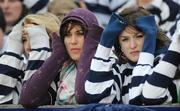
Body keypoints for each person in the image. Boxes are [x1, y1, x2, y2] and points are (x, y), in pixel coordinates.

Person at [83, 7, 180, 105]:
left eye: (139, 36)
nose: (133, 45)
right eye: (125, 39)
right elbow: (98, 99)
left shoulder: (164, 64)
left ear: (152, 37)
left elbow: (139, 101)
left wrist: (147, 51)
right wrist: (104, 45)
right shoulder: (118, 68)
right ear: (119, 44)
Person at [19, 8, 103, 108]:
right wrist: (57, 55)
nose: (73, 41)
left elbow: (83, 98)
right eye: (67, 35)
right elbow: (27, 99)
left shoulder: (107, 65)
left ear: (92, 36)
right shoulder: (62, 69)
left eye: (80, 33)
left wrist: (89, 50)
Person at [0, 12, 59, 104]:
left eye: (37, 38)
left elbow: (33, 99)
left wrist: (40, 50)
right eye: (24, 39)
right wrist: (13, 52)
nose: (30, 45)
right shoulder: (17, 72)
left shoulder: (60, 72)